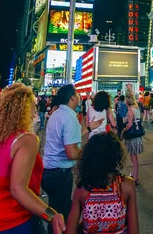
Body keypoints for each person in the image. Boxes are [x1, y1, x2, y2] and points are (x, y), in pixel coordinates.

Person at [0, 83, 66, 234]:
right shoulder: (27, 140)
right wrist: (52, 215)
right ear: (25, 109)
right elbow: (17, 189)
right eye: (33, 104)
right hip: (14, 224)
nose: (35, 108)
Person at [42, 84, 103, 230]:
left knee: (55, 213)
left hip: (48, 172)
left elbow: (68, 138)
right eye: (77, 94)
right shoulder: (70, 118)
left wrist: (89, 128)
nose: (79, 96)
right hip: (60, 175)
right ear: (71, 98)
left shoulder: (57, 114)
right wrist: (91, 153)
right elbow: (72, 153)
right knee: (62, 217)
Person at [65, 132, 139, 234]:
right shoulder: (126, 186)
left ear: (89, 159)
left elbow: (70, 230)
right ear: (116, 157)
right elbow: (134, 229)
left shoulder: (82, 190)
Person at [123, 94, 144, 185]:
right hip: (137, 136)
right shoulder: (137, 109)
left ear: (127, 101)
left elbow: (129, 124)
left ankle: (135, 177)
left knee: (133, 157)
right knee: (134, 157)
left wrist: (123, 131)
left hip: (132, 137)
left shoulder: (130, 111)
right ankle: (134, 175)